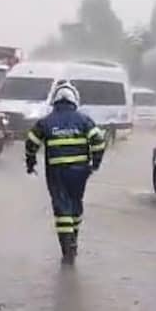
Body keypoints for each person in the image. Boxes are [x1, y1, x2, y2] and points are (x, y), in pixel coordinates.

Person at [26, 81, 105, 265]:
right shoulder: (84, 120)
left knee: (62, 209)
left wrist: (31, 163)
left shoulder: (45, 122)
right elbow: (99, 142)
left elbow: (31, 144)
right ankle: (74, 242)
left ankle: (67, 250)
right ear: (74, 100)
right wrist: (95, 163)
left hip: (56, 172)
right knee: (76, 204)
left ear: (55, 101)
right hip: (80, 172)